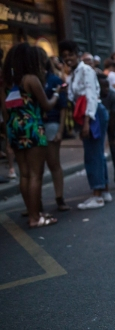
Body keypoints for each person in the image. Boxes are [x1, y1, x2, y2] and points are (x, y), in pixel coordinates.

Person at [2, 43, 62, 226]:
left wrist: (8, 136)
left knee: (25, 174)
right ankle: (35, 218)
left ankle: (32, 213)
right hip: (32, 127)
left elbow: (5, 112)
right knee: (36, 173)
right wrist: (57, 95)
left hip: (14, 128)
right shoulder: (31, 79)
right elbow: (46, 105)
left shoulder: (4, 81)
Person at [59, 40, 111, 209]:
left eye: (71, 55)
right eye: (65, 56)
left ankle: (97, 196)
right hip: (89, 114)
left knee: (93, 154)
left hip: (92, 114)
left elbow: (89, 96)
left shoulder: (85, 70)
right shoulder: (73, 73)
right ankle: (103, 191)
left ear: (77, 54)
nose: (68, 58)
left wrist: (87, 123)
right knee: (97, 153)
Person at [40, 47, 70, 211]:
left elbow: (63, 106)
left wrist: (60, 130)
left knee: (53, 163)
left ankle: (59, 198)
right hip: (37, 125)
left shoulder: (54, 80)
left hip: (51, 123)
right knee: (37, 167)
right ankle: (35, 203)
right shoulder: (31, 79)